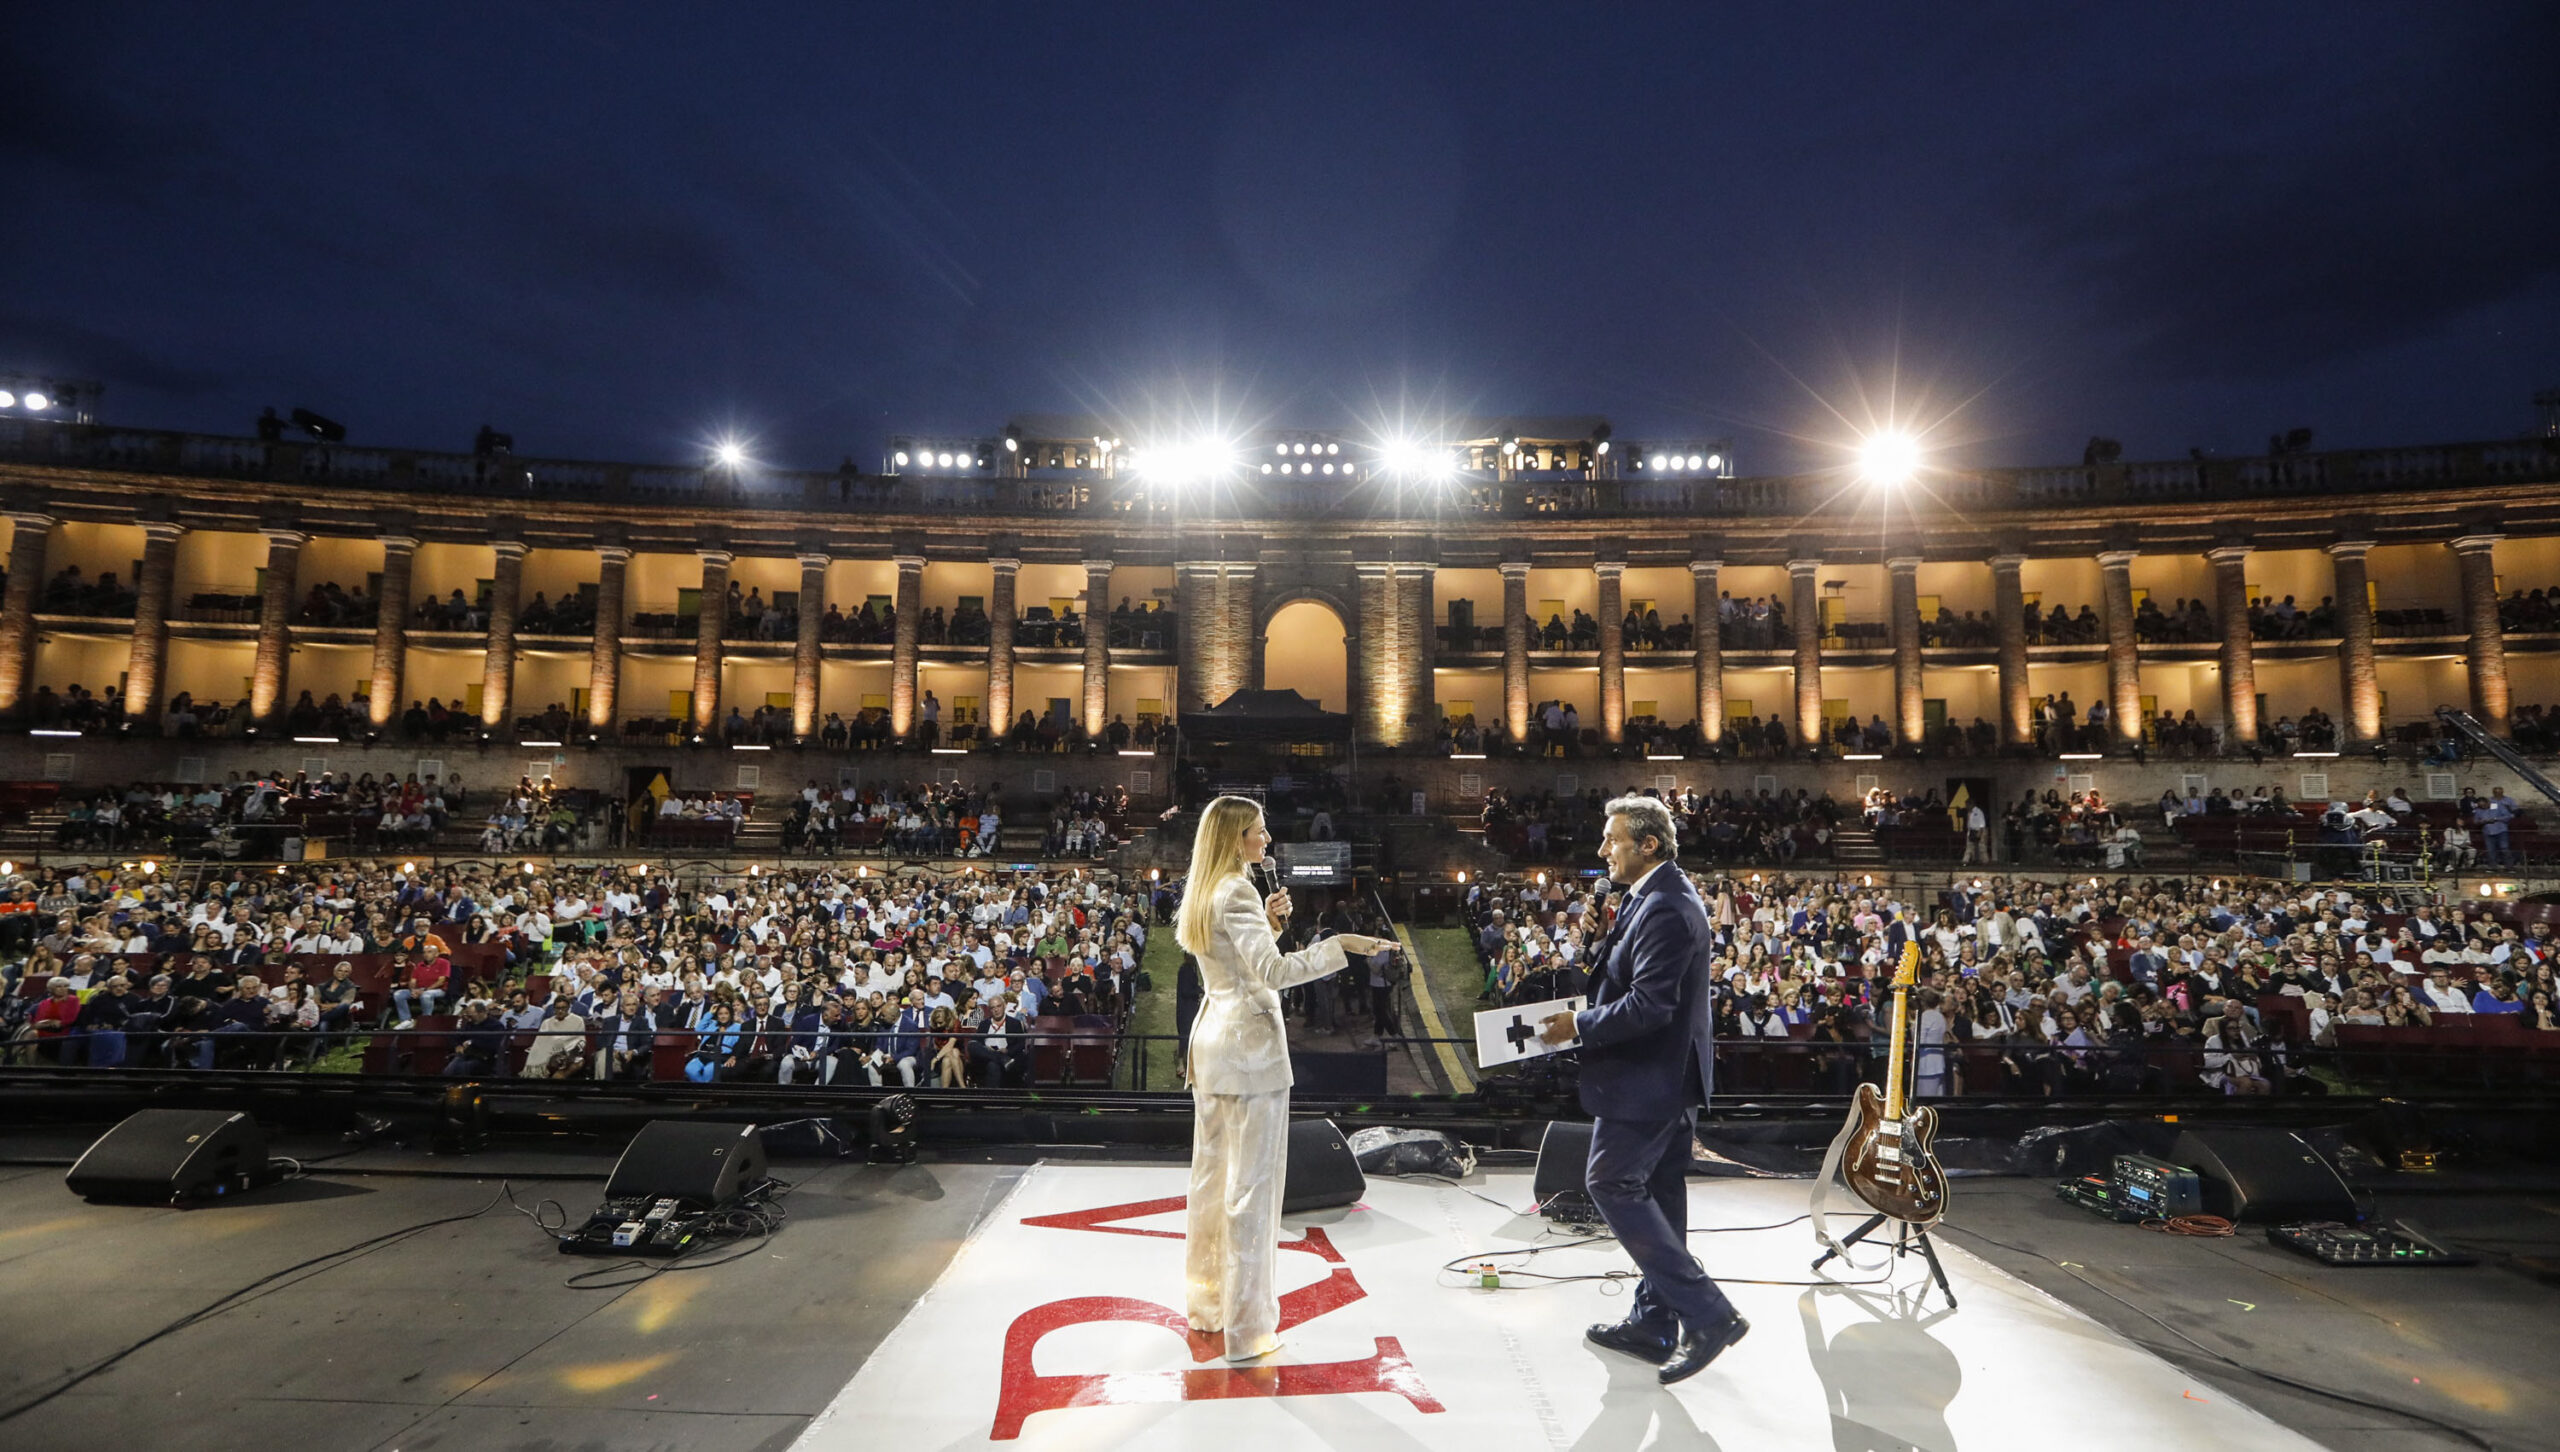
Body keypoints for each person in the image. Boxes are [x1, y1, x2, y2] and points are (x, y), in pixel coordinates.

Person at [1177, 795, 1396, 1363]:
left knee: (1210, 1182)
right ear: (1235, 838)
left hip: (1213, 1047)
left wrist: (1272, 926)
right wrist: (1340, 946)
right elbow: (1272, 976)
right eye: (1259, 830)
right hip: (1249, 1053)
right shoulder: (1238, 890)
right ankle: (1248, 1332)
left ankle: (1207, 1307)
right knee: (1252, 1191)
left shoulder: (1208, 890)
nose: (1268, 838)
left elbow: (1240, 965)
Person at [1538, 794, 1747, 1385]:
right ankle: (1655, 1323)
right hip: (1659, 1076)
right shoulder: (1652, 897)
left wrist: (1577, 1025)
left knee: (1610, 1182)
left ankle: (1709, 1314)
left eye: (1612, 839)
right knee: (1658, 1193)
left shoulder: (1665, 906)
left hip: (1650, 1078)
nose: (1603, 848)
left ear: (1647, 844)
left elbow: (1651, 1006)